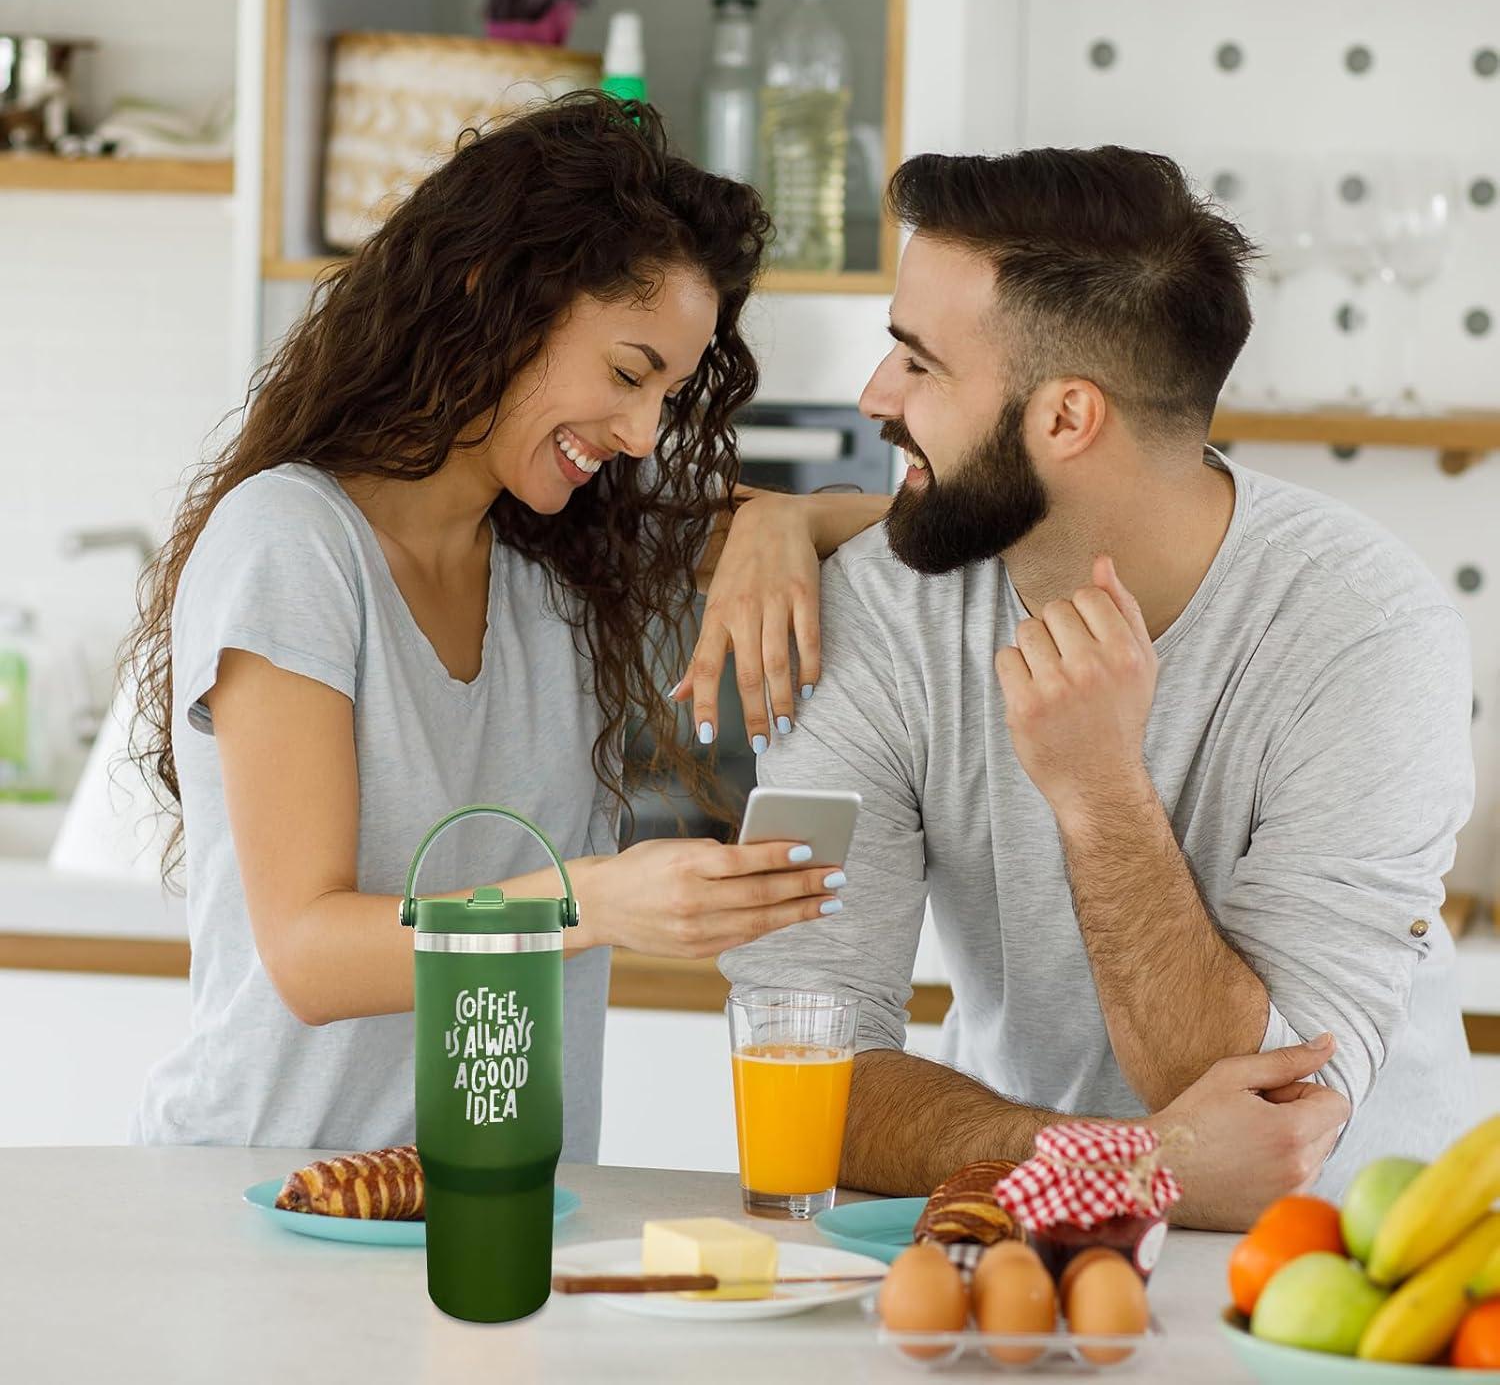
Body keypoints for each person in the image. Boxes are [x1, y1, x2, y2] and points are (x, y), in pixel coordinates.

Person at [721, 145, 1475, 1229]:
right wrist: (1129, 1162)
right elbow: (799, 1080)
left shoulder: (1367, 632)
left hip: (1349, 1273)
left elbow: (1265, 1116)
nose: (875, 396)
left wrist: (1097, 789)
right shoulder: (875, 613)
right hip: (1012, 1239)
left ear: (1067, 419)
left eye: (919, 363)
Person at [126, 94, 887, 1156]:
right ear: (497, 298)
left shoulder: (566, 564)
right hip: (270, 1200)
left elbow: (917, 525)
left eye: (665, 396)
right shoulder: (292, 544)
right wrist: (600, 904)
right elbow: (309, 953)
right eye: (627, 374)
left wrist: (790, 521)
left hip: (510, 1209)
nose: (638, 435)